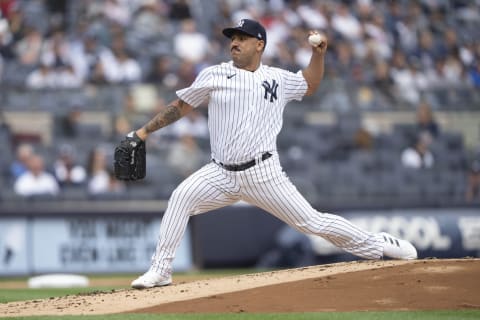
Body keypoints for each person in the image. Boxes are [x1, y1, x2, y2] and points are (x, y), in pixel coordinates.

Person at [124, 19, 417, 289]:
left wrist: (319, 54)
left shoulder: (277, 79)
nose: (234, 43)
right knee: (181, 197)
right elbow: (180, 106)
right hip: (221, 173)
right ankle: (161, 270)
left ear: (259, 44)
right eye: (232, 38)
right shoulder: (214, 75)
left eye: (242, 38)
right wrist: (143, 132)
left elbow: (311, 84)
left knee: (313, 223)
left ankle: (377, 246)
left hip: (264, 174)